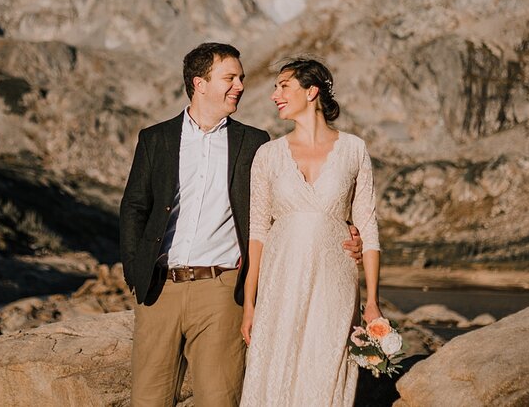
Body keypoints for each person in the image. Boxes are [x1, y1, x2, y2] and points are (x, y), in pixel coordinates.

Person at [119, 43, 363, 407]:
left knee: (220, 400)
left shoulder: (254, 143)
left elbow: (282, 205)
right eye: (230, 78)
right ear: (199, 83)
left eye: (241, 78)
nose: (240, 86)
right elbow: (134, 207)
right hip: (159, 290)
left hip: (222, 291)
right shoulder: (156, 139)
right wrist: (135, 271)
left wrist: (342, 227)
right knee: (148, 400)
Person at [240, 58, 381, 407]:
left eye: (283, 86)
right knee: (275, 370)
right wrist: (249, 300)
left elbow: (369, 225)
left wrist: (373, 302)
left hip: (334, 282)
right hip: (279, 280)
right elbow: (257, 229)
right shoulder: (268, 155)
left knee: (325, 371)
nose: (274, 95)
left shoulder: (353, 149)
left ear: (311, 91)